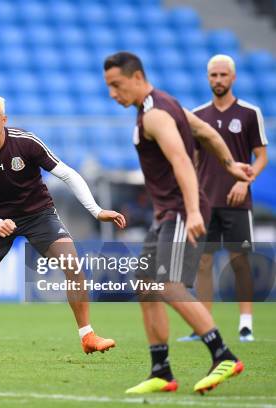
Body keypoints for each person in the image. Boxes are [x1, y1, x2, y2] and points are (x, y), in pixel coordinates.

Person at [103, 51, 253, 394]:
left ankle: (223, 354)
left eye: (116, 84)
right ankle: (161, 370)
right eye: (108, 87)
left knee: (167, 283)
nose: (113, 93)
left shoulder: (155, 115)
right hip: (168, 212)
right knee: (146, 286)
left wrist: (194, 211)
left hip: (180, 210)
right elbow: (205, 133)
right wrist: (230, 166)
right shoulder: (167, 104)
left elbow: (183, 161)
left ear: (137, 77)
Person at [0, 93, 127, 362]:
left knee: (72, 264)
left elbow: (67, 173)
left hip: (38, 214)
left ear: (4, 120)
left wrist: (96, 210)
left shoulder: (26, 142)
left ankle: (88, 336)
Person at [177, 55, 268, 343]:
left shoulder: (249, 113)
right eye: (213, 75)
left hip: (237, 202)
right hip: (205, 202)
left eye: (223, 75)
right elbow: (191, 159)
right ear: (207, 78)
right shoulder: (198, 115)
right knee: (202, 263)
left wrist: (246, 181)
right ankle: (204, 326)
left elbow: (261, 156)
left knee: (240, 261)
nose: (218, 80)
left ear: (233, 77)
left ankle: (246, 324)